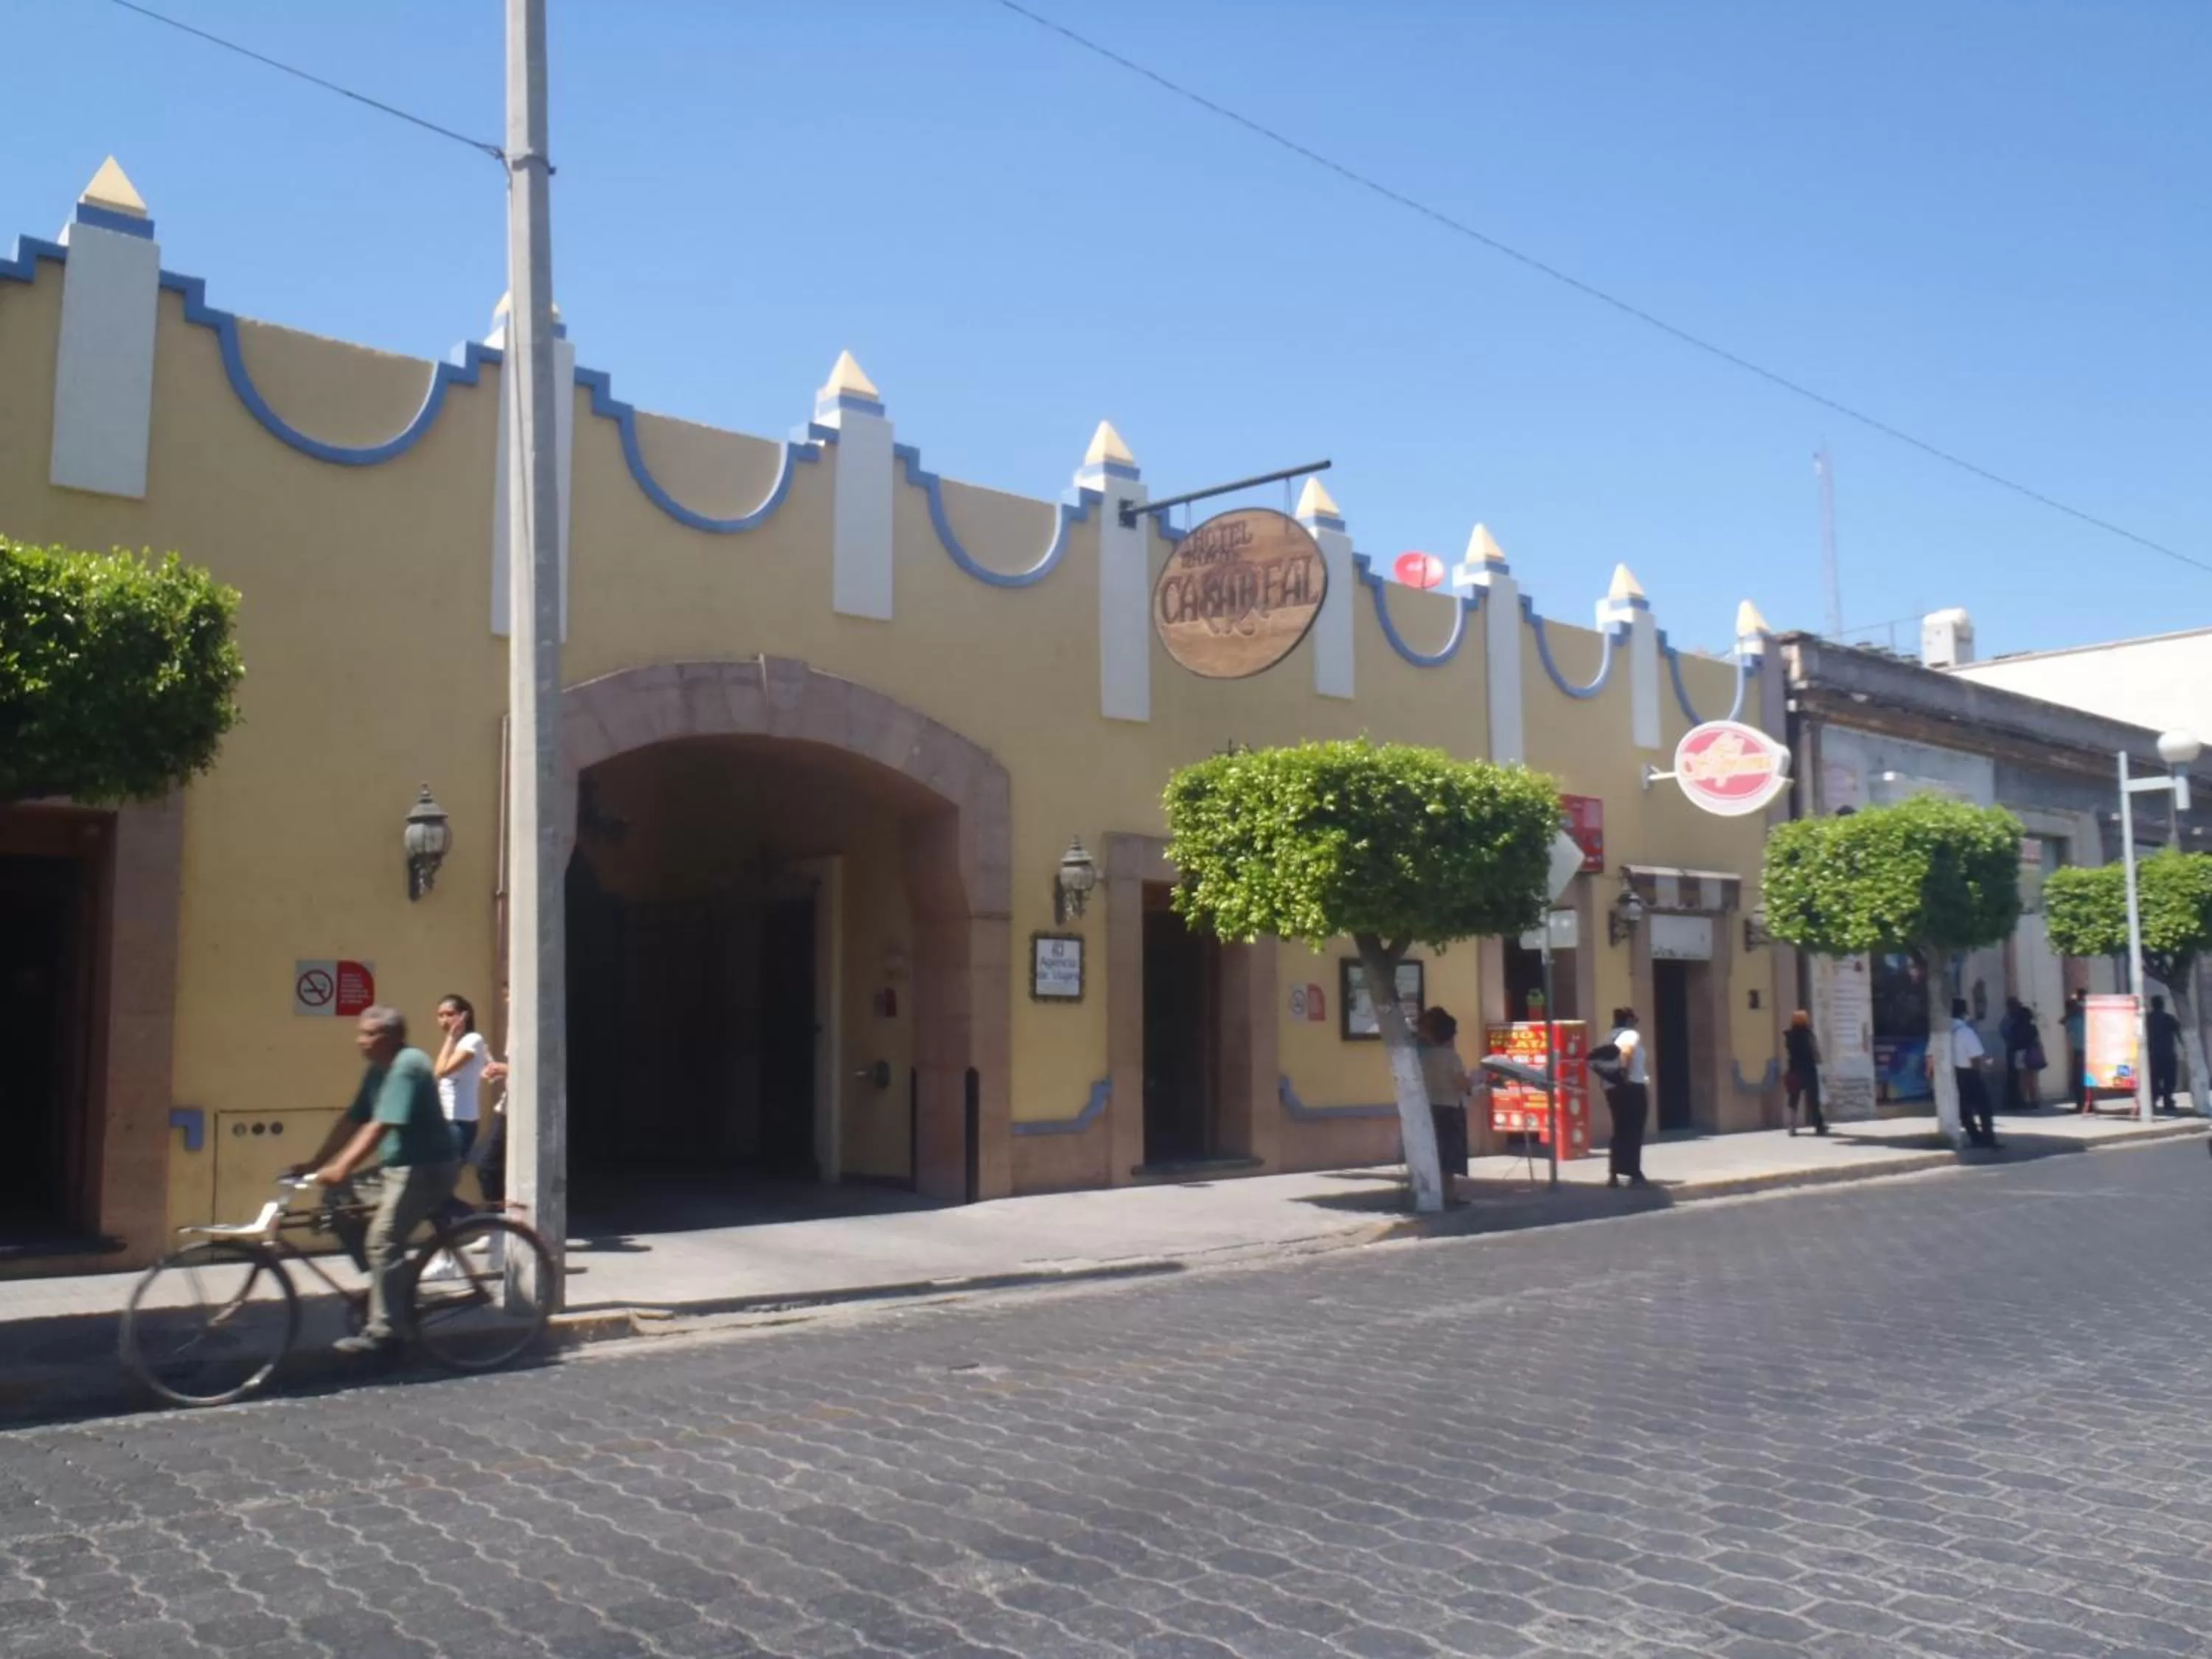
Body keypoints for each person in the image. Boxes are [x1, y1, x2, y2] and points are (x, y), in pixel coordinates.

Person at [293, 1006, 462, 1357]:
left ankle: (387, 1332)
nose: (361, 1040)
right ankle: (390, 1287)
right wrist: (315, 1163)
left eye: (370, 1034)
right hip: (396, 1168)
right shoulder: (377, 1071)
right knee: (338, 1203)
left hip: (426, 1168)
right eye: (361, 1033)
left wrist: (342, 1166)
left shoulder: (409, 1065)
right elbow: (353, 1119)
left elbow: (380, 1125)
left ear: (392, 1037)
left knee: (382, 1240)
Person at [428, 994, 488, 1237]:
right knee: (437, 1193)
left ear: (464, 1015)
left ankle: (489, 1227)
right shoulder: (456, 1043)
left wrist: (451, 1038)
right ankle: (448, 1251)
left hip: (461, 1125)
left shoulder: (472, 1040)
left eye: (450, 1014)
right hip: (446, 1125)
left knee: (440, 1192)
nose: (444, 1020)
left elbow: (441, 1070)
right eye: (440, 1015)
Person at [1416, 1006, 1471, 1200]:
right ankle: (1449, 1193)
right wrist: (1472, 1082)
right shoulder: (1451, 1058)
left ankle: (1432, 1191)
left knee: (1435, 1151)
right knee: (1449, 1155)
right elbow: (1460, 1083)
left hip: (1430, 1107)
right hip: (1450, 1108)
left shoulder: (1422, 1058)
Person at [1596, 1006, 1649, 1189]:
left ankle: (1614, 1174)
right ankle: (1634, 1173)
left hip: (1611, 1089)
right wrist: (1624, 1075)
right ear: (1628, 1021)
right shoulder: (1629, 1035)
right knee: (1634, 1130)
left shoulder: (1607, 1037)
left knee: (1619, 1129)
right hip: (1631, 1087)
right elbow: (1626, 1053)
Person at [1948, 998, 1998, 1150]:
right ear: (1964, 1013)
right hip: (1969, 1073)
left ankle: (1974, 1135)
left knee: (1964, 1108)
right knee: (1984, 1106)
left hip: (1953, 1073)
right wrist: (1981, 1071)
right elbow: (1975, 1057)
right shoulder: (1965, 1031)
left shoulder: (1945, 1031)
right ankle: (1988, 1138)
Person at [1783, 1009, 1827, 1136]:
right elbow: (1815, 1051)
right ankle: (1819, 1126)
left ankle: (1792, 1126)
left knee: (1793, 1099)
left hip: (1794, 1070)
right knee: (1813, 1099)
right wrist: (1819, 1060)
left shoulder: (1789, 1035)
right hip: (1808, 1069)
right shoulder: (1808, 1035)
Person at [2148, 994, 2183, 1114]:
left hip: (2152, 1055)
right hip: (2168, 1054)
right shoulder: (2169, 1018)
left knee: (2154, 1079)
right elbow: (2180, 1034)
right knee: (2169, 1080)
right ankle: (2168, 1100)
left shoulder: (2147, 1019)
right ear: (2163, 1005)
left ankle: (2153, 1100)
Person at [2000, 998, 2035, 1111]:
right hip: (2030, 1051)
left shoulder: (2012, 1022)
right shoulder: (2031, 1025)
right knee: (2030, 1077)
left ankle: (2022, 1100)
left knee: (2021, 1077)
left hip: (2018, 1051)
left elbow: (2005, 1034)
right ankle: (2033, 1101)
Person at [2063, 989, 2088, 1113]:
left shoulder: (2075, 1017)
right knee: (2085, 1079)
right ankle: (2087, 1104)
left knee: (2078, 1080)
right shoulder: (2083, 1014)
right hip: (2086, 1050)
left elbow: (2063, 1021)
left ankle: (2081, 1105)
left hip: (2081, 1051)